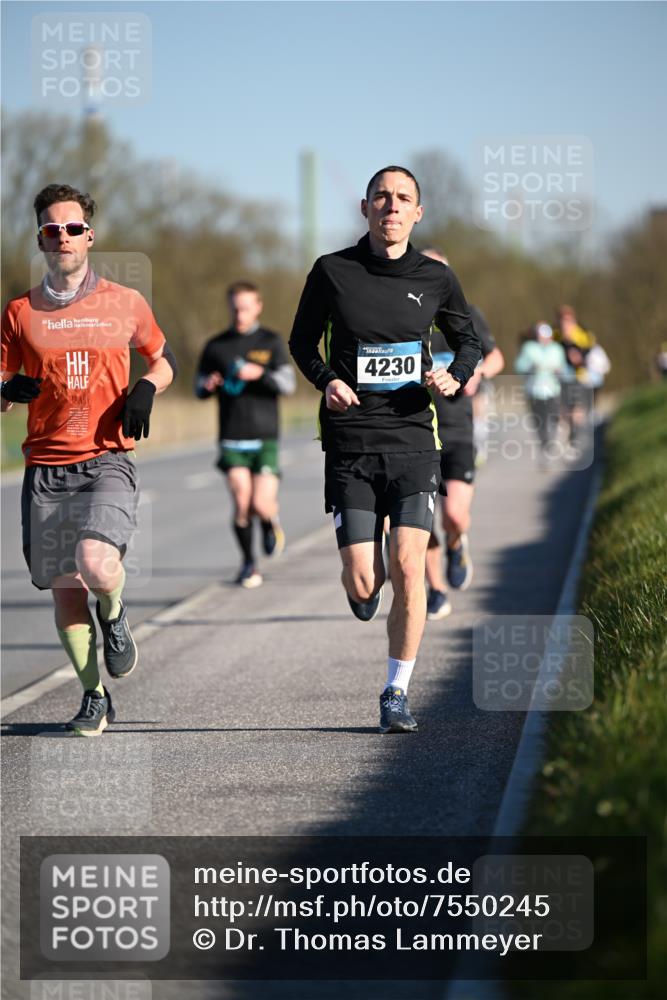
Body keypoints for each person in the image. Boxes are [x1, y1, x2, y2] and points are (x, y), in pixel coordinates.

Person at [289, 166, 481, 734]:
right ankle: (362, 588)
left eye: (403, 199)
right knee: (364, 580)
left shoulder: (437, 277)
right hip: (350, 444)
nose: (391, 207)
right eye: (381, 197)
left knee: (408, 567)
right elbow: (301, 340)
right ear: (366, 208)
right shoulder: (333, 271)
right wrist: (325, 378)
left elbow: (467, 338)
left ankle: (396, 691)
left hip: (413, 441)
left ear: (417, 213)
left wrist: (455, 375)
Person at [1, 184, 175, 735]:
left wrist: (146, 388)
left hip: (107, 459)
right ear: (40, 239)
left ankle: (117, 613)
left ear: (89, 235)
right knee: (66, 591)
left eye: (72, 228)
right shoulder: (19, 312)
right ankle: (93, 694)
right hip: (46, 470)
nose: (63, 238)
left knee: (97, 565)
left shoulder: (125, 302)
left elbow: (161, 359)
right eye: (52, 230)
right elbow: (2, 388)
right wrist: (9, 388)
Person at [419, 249, 505, 620]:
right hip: (417, 431)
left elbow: (495, 357)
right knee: (421, 521)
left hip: (458, 429)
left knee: (454, 514)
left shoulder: (466, 314)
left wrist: (476, 374)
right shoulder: (405, 316)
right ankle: (435, 589)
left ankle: (457, 543)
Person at [195, 281, 296, 587]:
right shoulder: (216, 346)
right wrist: (208, 385)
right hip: (232, 436)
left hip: (265, 435)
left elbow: (288, 385)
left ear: (258, 307)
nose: (240, 313)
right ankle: (249, 564)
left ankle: (269, 522)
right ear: (230, 307)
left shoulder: (271, 342)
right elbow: (198, 387)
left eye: (246, 307)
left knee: (261, 504)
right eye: (236, 307)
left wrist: (260, 374)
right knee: (242, 502)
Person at [514, 321, 570, 463]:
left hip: (552, 390)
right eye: (541, 336)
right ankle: (545, 447)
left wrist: (559, 371)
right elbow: (519, 366)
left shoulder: (557, 349)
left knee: (553, 419)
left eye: (547, 336)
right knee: (539, 422)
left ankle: (552, 443)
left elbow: (564, 369)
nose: (544, 339)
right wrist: (530, 367)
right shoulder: (529, 348)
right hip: (534, 391)